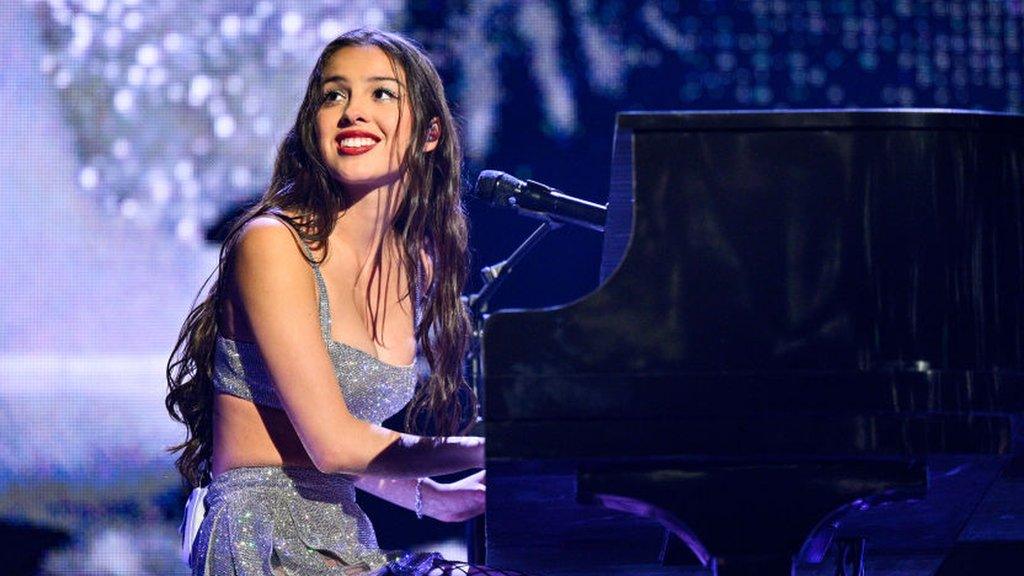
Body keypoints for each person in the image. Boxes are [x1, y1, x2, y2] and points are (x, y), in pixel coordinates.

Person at [165, 28, 521, 576]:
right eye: (334, 95)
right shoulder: (272, 244)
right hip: (267, 542)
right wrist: (491, 447)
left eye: (381, 93)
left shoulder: (414, 265)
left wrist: (431, 496)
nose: (353, 111)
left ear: (429, 134)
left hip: (344, 537)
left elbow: (311, 440)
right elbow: (334, 444)